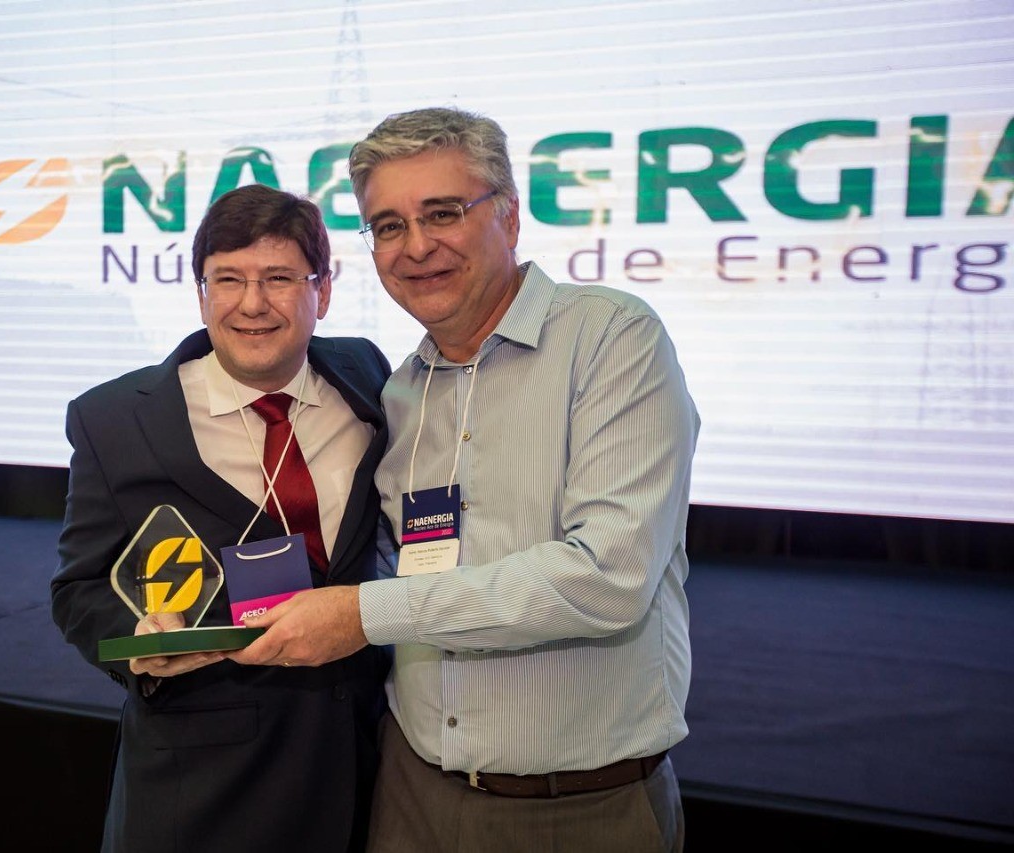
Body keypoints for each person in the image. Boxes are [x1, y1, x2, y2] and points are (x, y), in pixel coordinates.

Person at [230, 107, 700, 852]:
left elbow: (609, 578)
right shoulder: (400, 391)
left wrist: (364, 614)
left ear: (509, 216)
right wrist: (204, 621)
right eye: (388, 225)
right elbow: (392, 562)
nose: (417, 246)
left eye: (443, 212)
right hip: (410, 791)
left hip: (577, 811)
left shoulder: (611, 338)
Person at [51, 183, 391, 853]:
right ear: (201, 292)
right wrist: (141, 641)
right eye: (228, 279)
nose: (252, 303)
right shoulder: (116, 420)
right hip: (203, 788)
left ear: (322, 290)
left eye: (279, 278)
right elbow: (78, 589)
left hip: (361, 768)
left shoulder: (365, 375)